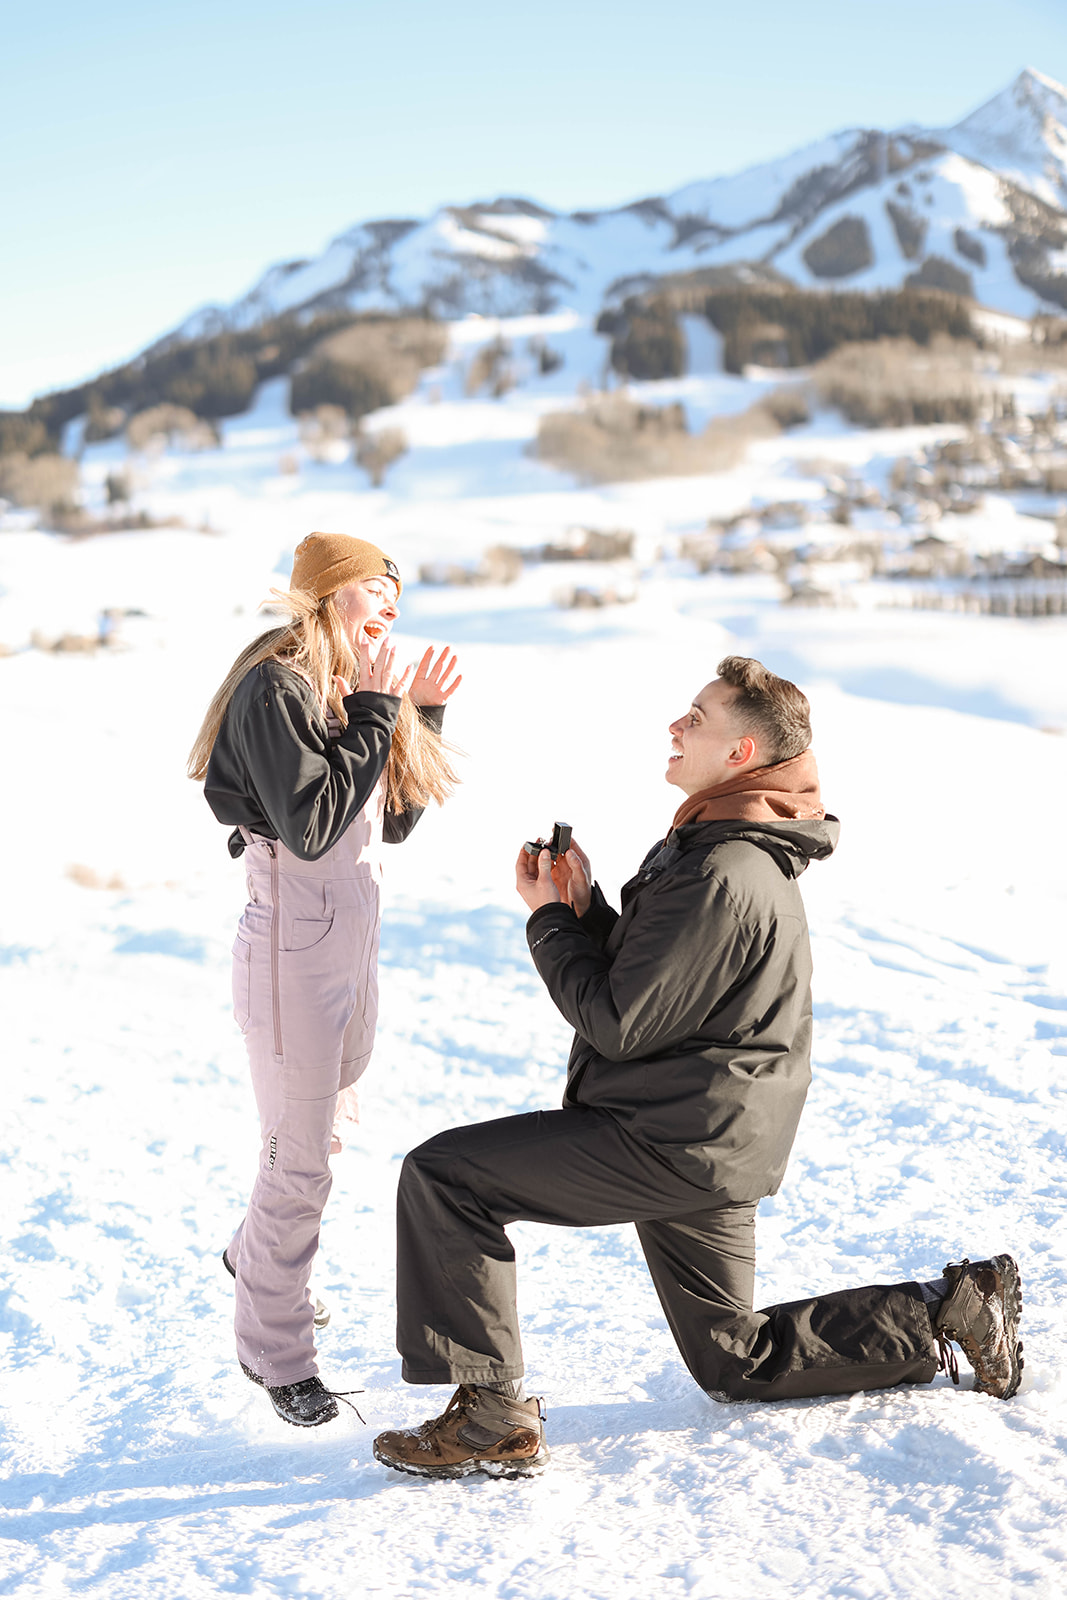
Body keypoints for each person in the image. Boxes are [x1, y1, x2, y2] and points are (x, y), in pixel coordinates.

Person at [372, 656, 1023, 1479]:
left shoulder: (721, 867)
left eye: (695, 717)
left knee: (445, 1177)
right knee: (733, 1359)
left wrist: (547, 924)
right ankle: (950, 1313)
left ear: (741, 754)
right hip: (709, 1132)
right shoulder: (721, 849)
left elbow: (619, 1021)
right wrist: (586, 909)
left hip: (669, 1136)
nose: (675, 728)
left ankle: (491, 1418)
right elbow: (668, 984)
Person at [188, 531, 461, 1427]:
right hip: (293, 942)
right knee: (297, 1157)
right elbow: (308, 825)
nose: (388, 601)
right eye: (371, 587)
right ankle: (273, 1347)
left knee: (323, 1132)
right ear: (322, 595)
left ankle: (253, 1256)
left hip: (353, 933)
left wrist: (418, 714)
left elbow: (391, 820)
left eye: (396, 590)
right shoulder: (278, 684)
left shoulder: (350, 686)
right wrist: (383, 707)